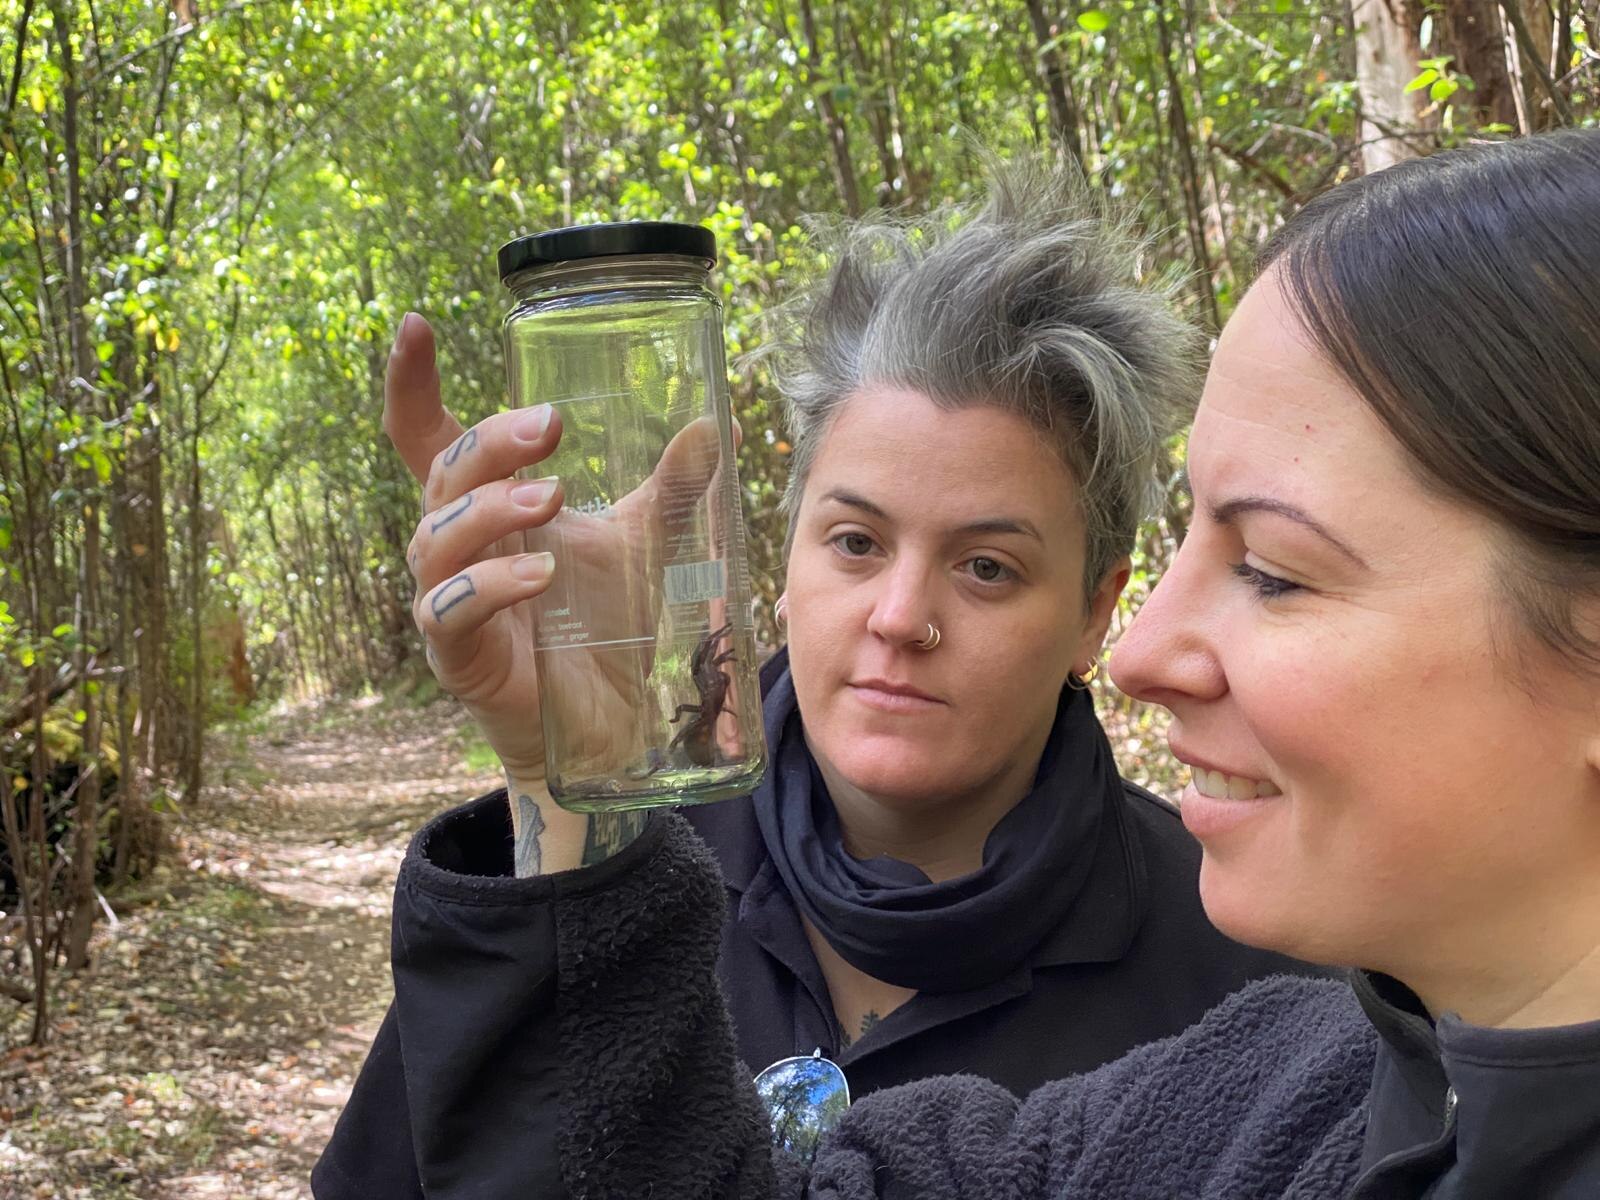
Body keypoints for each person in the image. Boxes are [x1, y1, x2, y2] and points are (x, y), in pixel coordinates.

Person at [315, 127, 1600, 1198]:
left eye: (1272, 567)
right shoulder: (1278, 1094)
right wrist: (581, 783)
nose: (898, 617)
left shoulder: (1247, 978)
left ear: (1091, 608)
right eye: (855, 542)